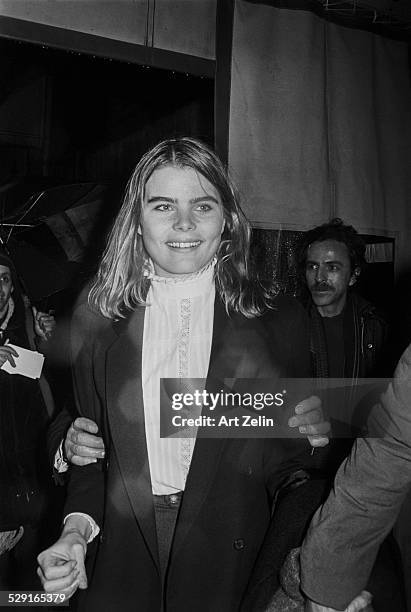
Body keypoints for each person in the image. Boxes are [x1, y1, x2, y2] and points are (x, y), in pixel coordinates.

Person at [37, 137, 329, 611]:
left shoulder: (277, 319)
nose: (184, 223)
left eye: (203, 205)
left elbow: (285, 464)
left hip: (231, 554)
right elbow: (88, 442)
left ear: (227, 219)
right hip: (124, 549)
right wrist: (74, 531)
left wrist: (312, 439)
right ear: (136, 221)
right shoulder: (99, 315)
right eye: (163, 205)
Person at [300, 341, 411, 611]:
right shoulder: (299, 322)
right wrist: (328, 583)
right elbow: (394, 444)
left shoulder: (371, 323)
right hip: (335, 466)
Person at [0, 251, 56, 590]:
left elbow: (60, 392)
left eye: (4, 278)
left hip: (36, 484)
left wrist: (48, 341)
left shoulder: (27, 326)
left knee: (36, 585)